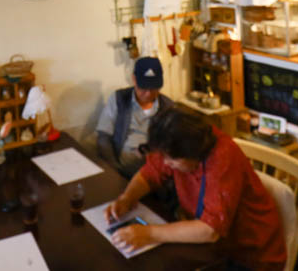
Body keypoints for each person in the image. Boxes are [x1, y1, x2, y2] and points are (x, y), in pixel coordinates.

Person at [104, 108, 286, 271]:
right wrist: (127, 197)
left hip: (251, 256)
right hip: (213, 245)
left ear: (193, 154)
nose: (166, 163)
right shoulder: (179, 143)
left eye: (172, 160)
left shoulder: (222, 158)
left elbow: (210, 230)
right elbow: (151, 173)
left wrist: (149, 233)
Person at [95, 57, 173, 177]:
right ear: (134, 79)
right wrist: (114, 169)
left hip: (154, 169)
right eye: (144, 88)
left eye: (153, 89)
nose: (148, 94)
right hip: (121, 167)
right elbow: (103, 137)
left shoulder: (168, 107)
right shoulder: (119, 99)